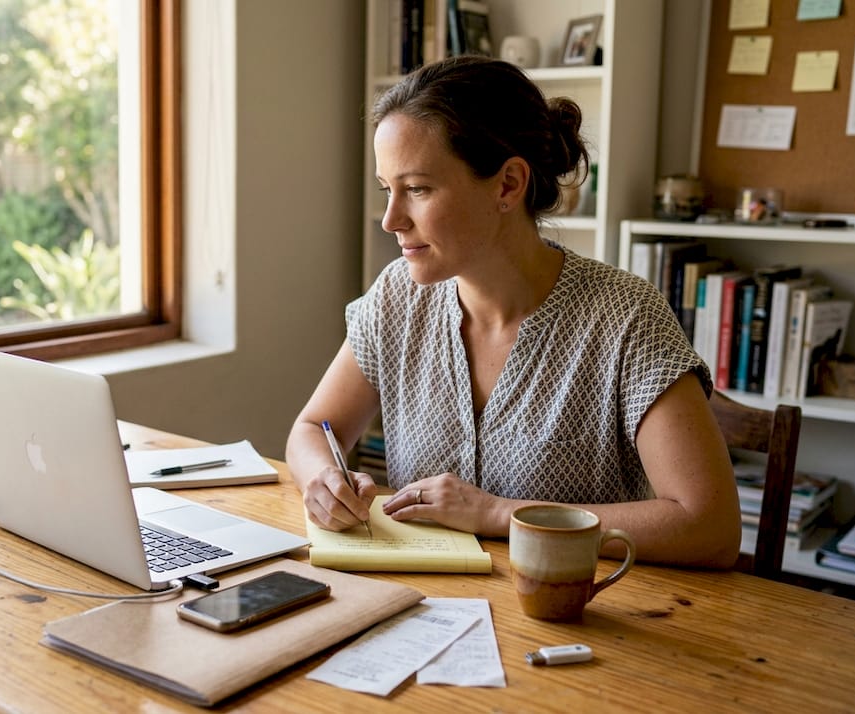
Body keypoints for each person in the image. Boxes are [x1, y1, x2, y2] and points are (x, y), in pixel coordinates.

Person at [285, 56, 740, 568]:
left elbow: (711, 527)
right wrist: (323, 479)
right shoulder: (396, 297)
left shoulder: (626, 317)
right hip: (420, 601)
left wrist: (497, 513)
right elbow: (312, 428)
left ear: (507, 184)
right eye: (388, 189)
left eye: (417, 189)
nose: (391, 219)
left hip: (576, 608)